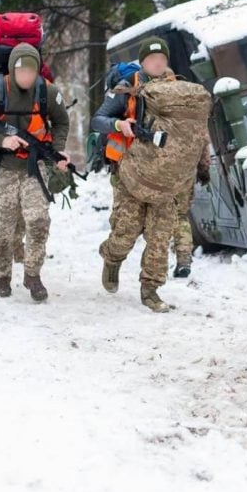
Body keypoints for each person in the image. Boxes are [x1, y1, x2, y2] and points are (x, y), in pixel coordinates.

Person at [0, 43, 70, 302]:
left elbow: (61, 122)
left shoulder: (47, 92)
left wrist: (57, 151)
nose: (26, 76)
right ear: (12, 70)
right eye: (21, 71)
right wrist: (2, 141)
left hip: (35, 167)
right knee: (3, 229)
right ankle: (2, 276)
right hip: (4, 169)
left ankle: (32, 274)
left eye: (31, 71)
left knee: (38, 220)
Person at [91, 37, 180, 311]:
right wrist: (120, 124)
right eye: (152, 59)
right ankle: (112, 257)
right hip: (129, 172)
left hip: (163, 174)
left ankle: (150, 290)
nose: (158, 63)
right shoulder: (126, 87)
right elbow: (97, 120)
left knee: (160, 234)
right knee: (126, 231)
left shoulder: (178, 89)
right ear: (142, 62)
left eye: (162, 58)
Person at [170, 146, 211, 278]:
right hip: (186, 172)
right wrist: (204, 171)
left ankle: (155, 265)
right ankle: (184, 260)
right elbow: (202, 144)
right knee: (181, 216)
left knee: (158, 216)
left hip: (163, 174)